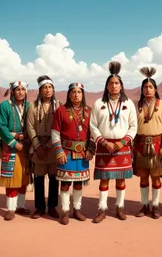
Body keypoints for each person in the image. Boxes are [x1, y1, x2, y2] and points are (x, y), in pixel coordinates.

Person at [90, 61, 137, 223]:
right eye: (111, 83)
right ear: (107, 86)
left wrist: (123, 142)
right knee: (104, 179)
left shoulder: (128, 103)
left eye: (117, 83)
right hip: (104, 146)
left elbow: (133, 126)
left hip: (122, 146)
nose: (114, 86)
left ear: (121, 86)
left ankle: (119, 207)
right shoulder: (99, 103)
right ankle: (102, 209)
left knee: (121, 179)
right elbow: (93, 126)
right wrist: (104, 142)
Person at [51, 82, 95, 225]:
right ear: (69, 94)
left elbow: (93, 132)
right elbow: (55, 133)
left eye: (79, 92)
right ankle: (65, 211)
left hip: (83, 153)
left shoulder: (89, 111)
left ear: (83, 94)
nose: (76, 95)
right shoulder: (61, 111)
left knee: (78, 184)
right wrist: (59, 152)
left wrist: (90, 149)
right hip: (66, 152)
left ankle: (77, 209)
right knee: (65, 184)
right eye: (73, 92)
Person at [133, 67, 162, 219]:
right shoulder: (137, 106)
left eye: (150, 87)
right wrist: (133, 148)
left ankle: (155, 206)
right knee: (143, 177)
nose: (147, 89)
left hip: (157, 146)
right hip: (141, 146)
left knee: (156, 177)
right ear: (142, 89)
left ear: (155, 89)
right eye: (145, 87)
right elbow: (133, 128)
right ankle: (144, 205)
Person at [26, 75, 60, 219]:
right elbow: (30, 127)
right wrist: (37, 146)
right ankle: (39, 207)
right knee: (39, 179)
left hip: (53, 146)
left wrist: (50, 144)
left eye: (50, 87)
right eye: (44, 87)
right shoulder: (32, 107)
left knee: (54, 178)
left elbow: (60, 126)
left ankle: (52, 206)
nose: (47, 90)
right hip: (38, 146)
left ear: (53, 89)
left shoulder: (58, 106)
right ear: (40, 90)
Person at [0, 81, 30, 221]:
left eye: (23, 89)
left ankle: (20, 206)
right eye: (17, 89)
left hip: (27, 147)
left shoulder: (29, 106)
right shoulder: (5, 106)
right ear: (12, 91)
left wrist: (27, 137)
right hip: (10, 147)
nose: (20, 92)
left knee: (24, 177)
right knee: (11, 177)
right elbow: (1, 127)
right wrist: (14, 141)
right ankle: (11, 209)